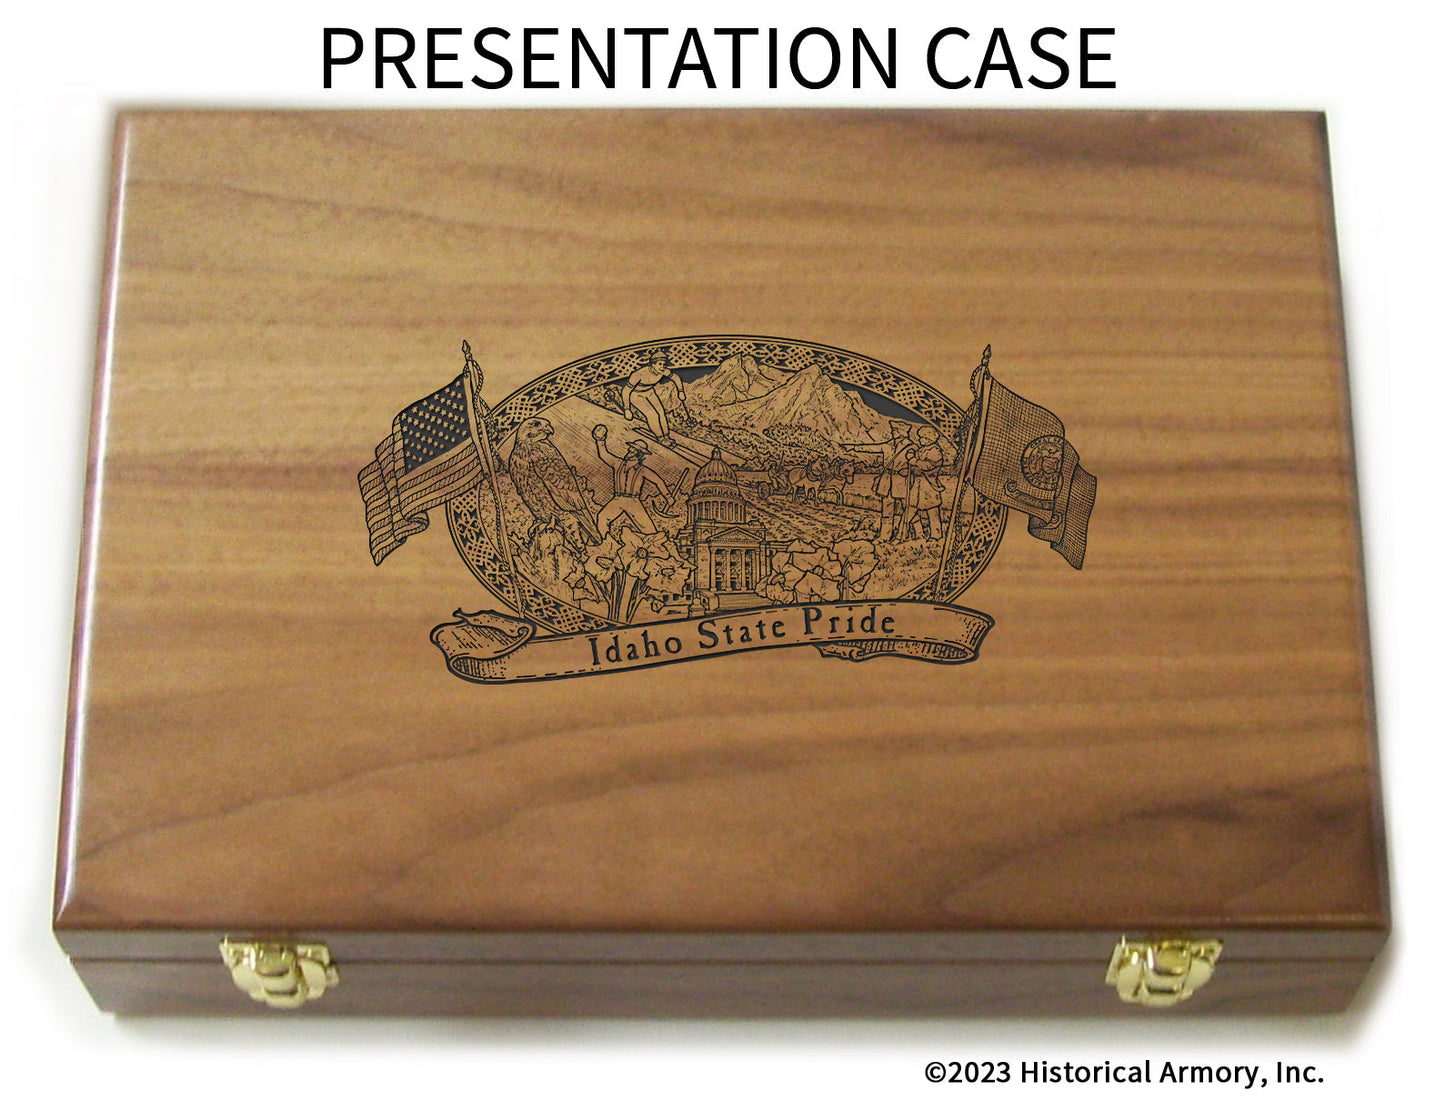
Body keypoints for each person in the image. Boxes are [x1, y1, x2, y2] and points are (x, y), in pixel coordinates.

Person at [592, 425, 672, 535]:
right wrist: (600, 440)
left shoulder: (642, 470)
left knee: (650, 531)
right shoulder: (617, 463)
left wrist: (668, 497)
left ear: (639, 453)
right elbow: (603, 454)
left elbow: (658, 481)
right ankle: (606, 542)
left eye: (633, 449)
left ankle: (656, 543)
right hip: (617, 499)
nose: (629, 449)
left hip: (633, 502)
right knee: (602, 517)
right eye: (631, 448)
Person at [621, 349, 687, 444]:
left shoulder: (663, 371)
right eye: (660, 364)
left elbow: (676, 378)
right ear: (653, 364)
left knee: (661, 412)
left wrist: (681, 391)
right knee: (652, 415)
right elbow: (626, 391)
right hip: (636, 394)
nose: (662, 367)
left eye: (664, 364)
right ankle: (661, 438)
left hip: (650, 391)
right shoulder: (639, 374)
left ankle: (666, 436)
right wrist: (627, 409)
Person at [903, 424, 946, 540]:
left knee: (933, 512)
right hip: (917, 486)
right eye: (920, 437)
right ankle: (903, 534)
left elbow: (927, 466)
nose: (920, 440)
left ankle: (936, 537)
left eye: (922, 438)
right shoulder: (921, 450)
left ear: (929, 439)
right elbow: (915, 467)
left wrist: (912, 459)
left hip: (929, 486)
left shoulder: (935, 451)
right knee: (910, 510)